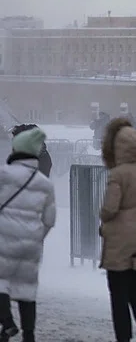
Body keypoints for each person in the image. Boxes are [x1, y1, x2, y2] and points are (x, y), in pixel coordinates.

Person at [99, 117, 136, 342]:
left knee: (118, 295)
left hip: (119, 242)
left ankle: (123, 337)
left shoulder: (118, 173)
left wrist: (102, 215)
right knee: (135, 286)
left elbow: (110, 208)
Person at [0, 127, 56, 342]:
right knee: (26, 289)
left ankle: (7, 322)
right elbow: (49, 219)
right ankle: (29, 335)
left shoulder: (4, 174)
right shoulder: (44, 183)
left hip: (4, 238)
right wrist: (36, 236)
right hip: (31, 243)